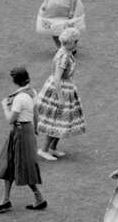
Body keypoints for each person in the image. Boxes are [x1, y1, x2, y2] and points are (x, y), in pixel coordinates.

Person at [0, 67, 47, 214]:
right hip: (26, 130)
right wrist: (35, 129)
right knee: (9, 163)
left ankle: (38, 197)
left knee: (21, 165)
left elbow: (10, 119)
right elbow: (35, 113)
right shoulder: (32, 92)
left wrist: (4, 106)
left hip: (20, 132)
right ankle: (6, 199)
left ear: (15, 81)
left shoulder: (19, 98)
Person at [35, 28, 84, 161]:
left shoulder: (66, 52)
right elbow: (57, 78)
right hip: (59, 89)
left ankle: (52, 148)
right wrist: (61, 98)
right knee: (56, 121)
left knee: (62, 120)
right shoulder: (64, 56)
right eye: (75, 41)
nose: (76, 43)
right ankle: (44, 149)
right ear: (68, 42)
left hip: (65, 87)